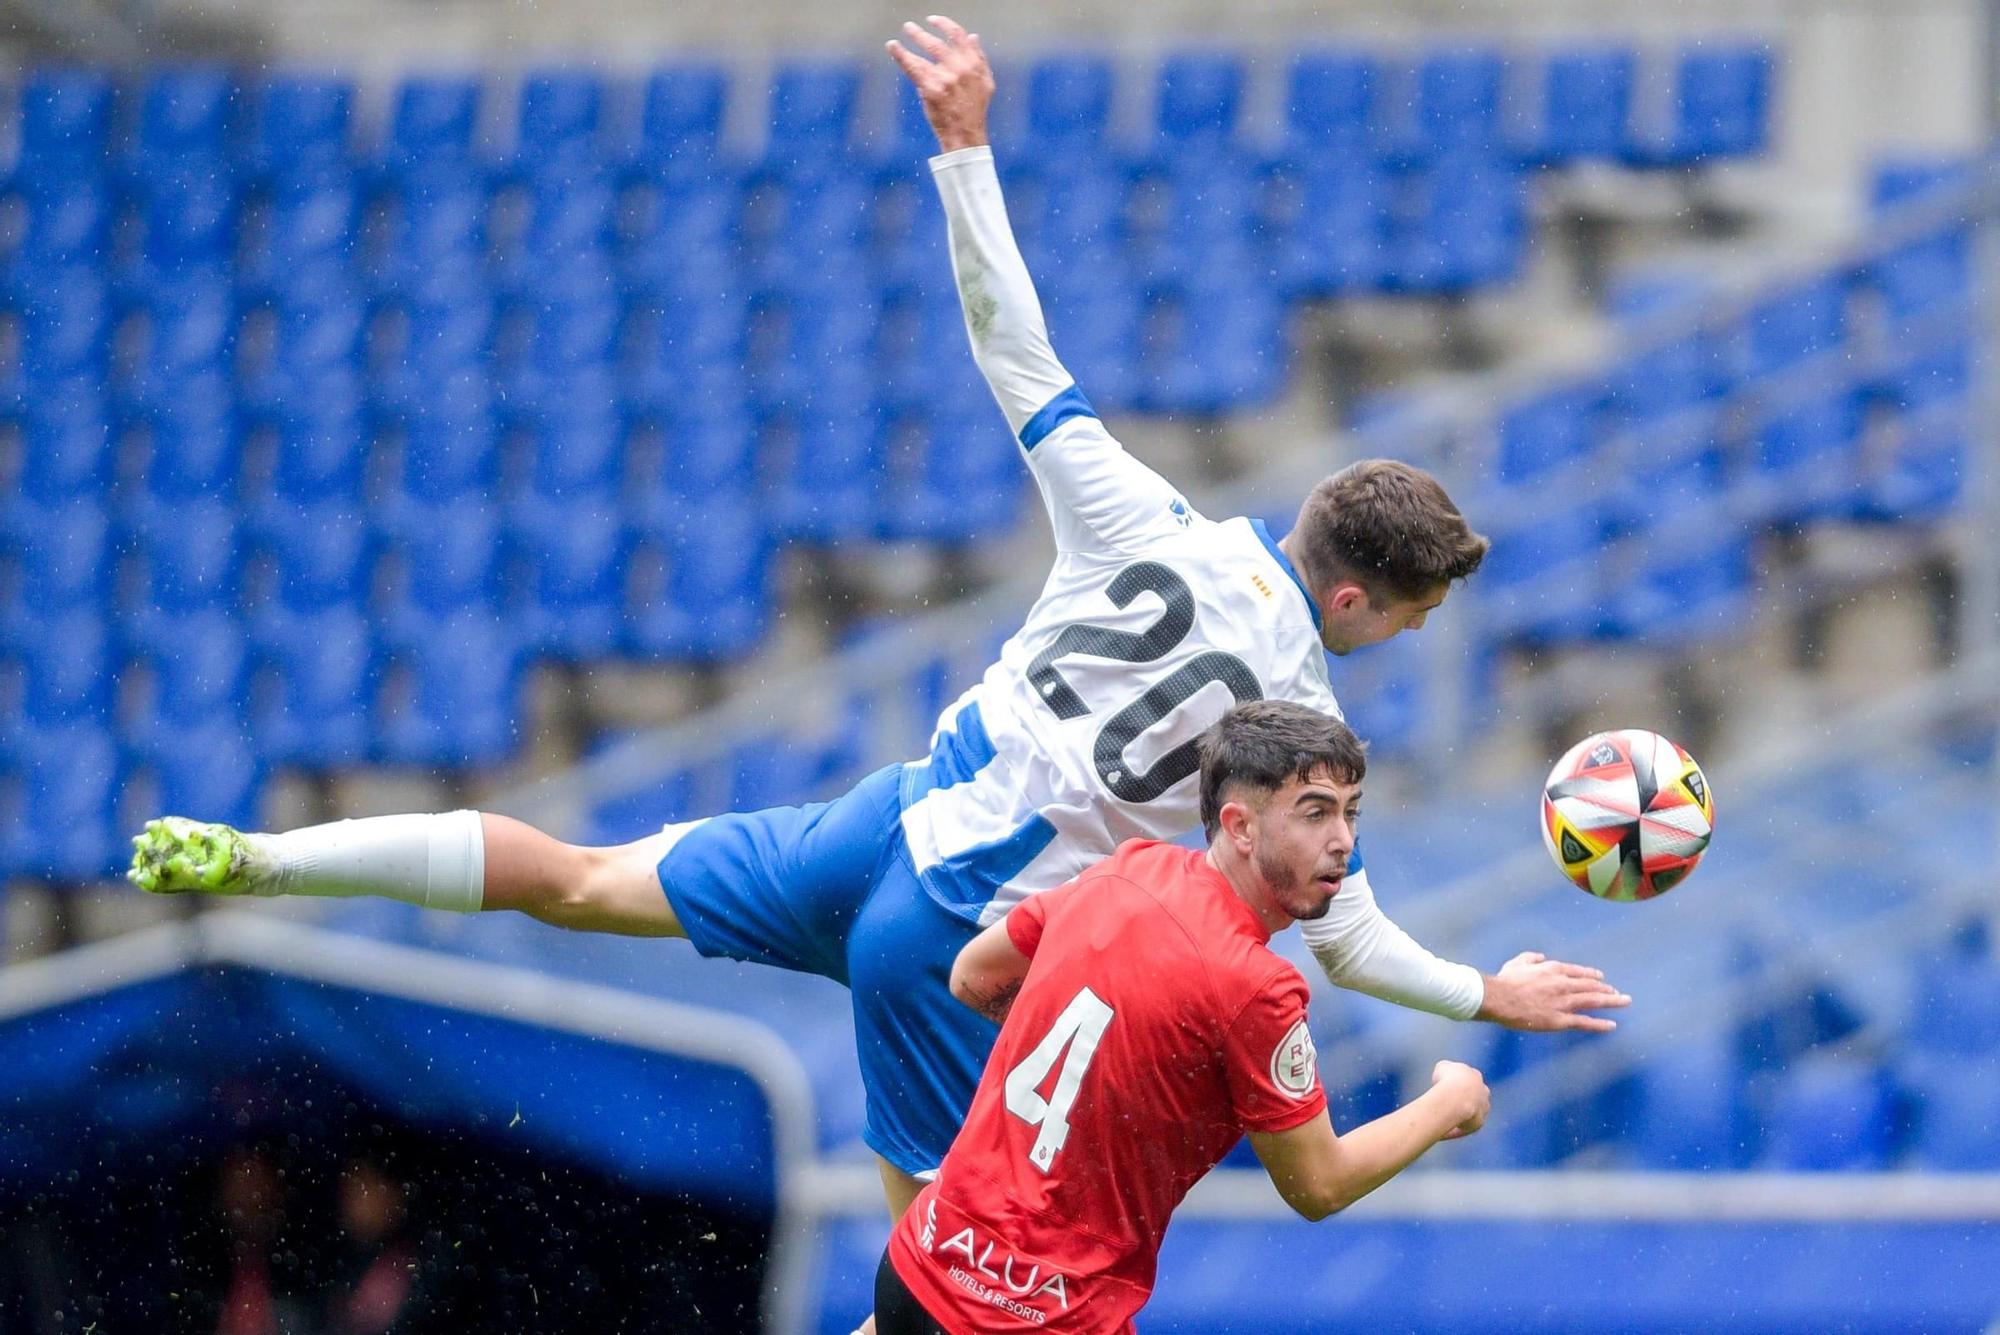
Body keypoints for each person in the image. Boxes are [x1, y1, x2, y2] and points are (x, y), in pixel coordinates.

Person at [129, 14, 1625, 1223]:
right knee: (941, 1284)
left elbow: (1012, 346)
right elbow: (1341, 929)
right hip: (952, 940)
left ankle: (263, 855)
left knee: (578, 878)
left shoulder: (1135, 512)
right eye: (1417, 611)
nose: (1420, 634)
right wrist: (1483, 988)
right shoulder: (1295, 727)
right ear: (1354, 593)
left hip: (880, 828)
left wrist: (966, 148)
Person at [877, 700, 1489, 1333]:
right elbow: (1319, 1185)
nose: (1343, 841)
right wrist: (1451, 1100)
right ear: (1240, 827)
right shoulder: (1257, 987)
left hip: (923, 1264)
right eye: (1315, 813)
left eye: (1350, 812)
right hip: (1040, 1312)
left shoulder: (1128, 868)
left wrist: (1103, 1069)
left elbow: (973, 976)